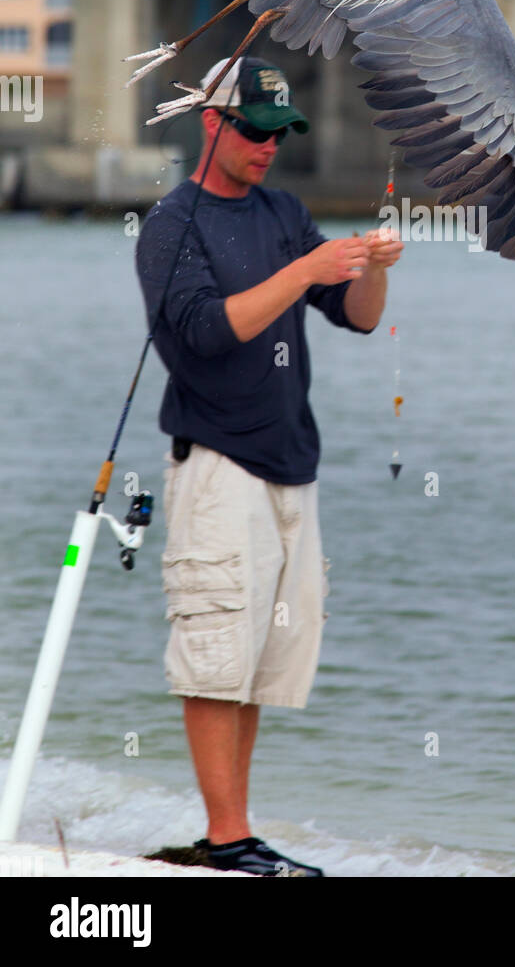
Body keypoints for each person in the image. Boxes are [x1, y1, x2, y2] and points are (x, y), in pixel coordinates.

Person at [135, 53, 403, 876]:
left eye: (280, 133)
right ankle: (226, 842)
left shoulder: (283, 211)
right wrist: (304, 270)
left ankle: (237, 833)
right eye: (254, 132)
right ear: (212, 123)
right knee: (215, 658)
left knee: (258, 664)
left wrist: (372, 273)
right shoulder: (170, 225)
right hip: (217, 463)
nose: (267, 148)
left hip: (293, 465)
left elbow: (351, 317)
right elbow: (208, 332)